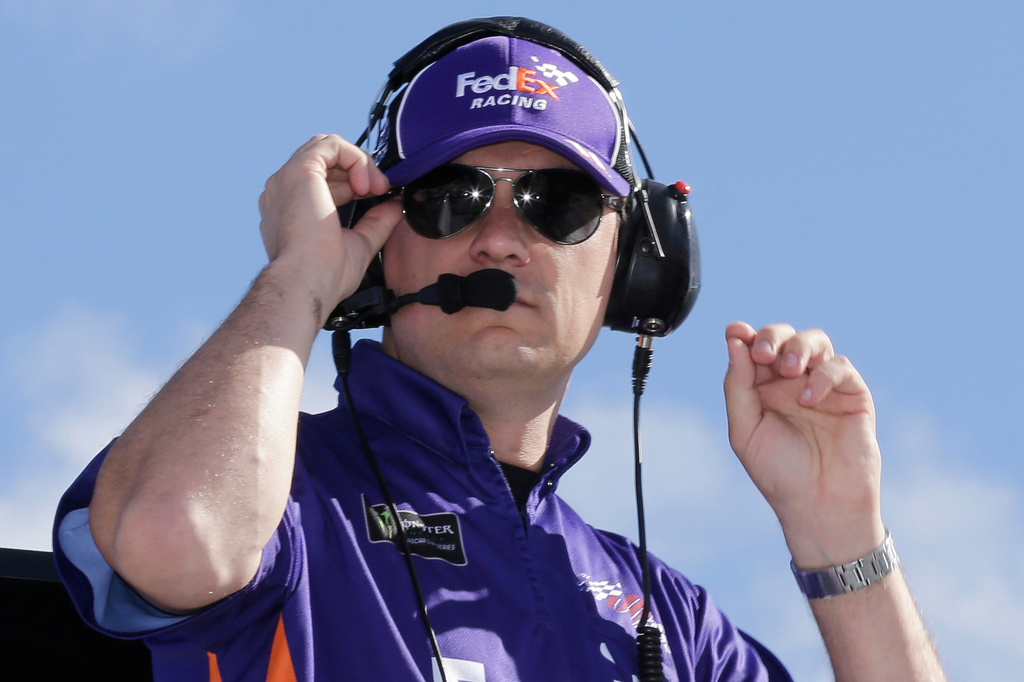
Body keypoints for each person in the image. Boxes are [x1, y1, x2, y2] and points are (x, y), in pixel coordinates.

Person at [53, 17, 947, 682]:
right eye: (454, 197)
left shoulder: (673, 623)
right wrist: (296, 279)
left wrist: (840, 533)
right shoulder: (276, 498)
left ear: (635, 265)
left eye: (559, 204)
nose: (500, 242)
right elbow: (174, 537)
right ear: (374, 243)